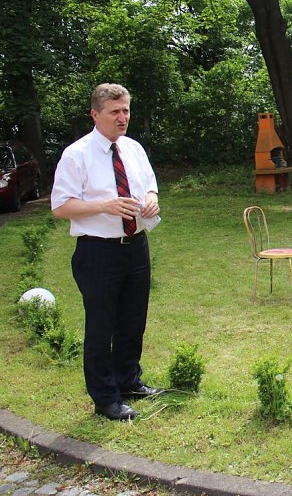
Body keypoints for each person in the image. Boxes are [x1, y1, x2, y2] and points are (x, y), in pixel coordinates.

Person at [51, 83, 163, 421]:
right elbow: (60, 206)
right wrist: (105, 205)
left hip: (136, 247)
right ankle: (105, 398)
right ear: (95, 114)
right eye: (115, 112)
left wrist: (152, 199)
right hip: (98, 251)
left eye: (126, 110)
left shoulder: (134, 149)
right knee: (101, 326)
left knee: (133, 319)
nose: (122, 117)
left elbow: (150, 186)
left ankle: (129, 381)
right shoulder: (77, 155)